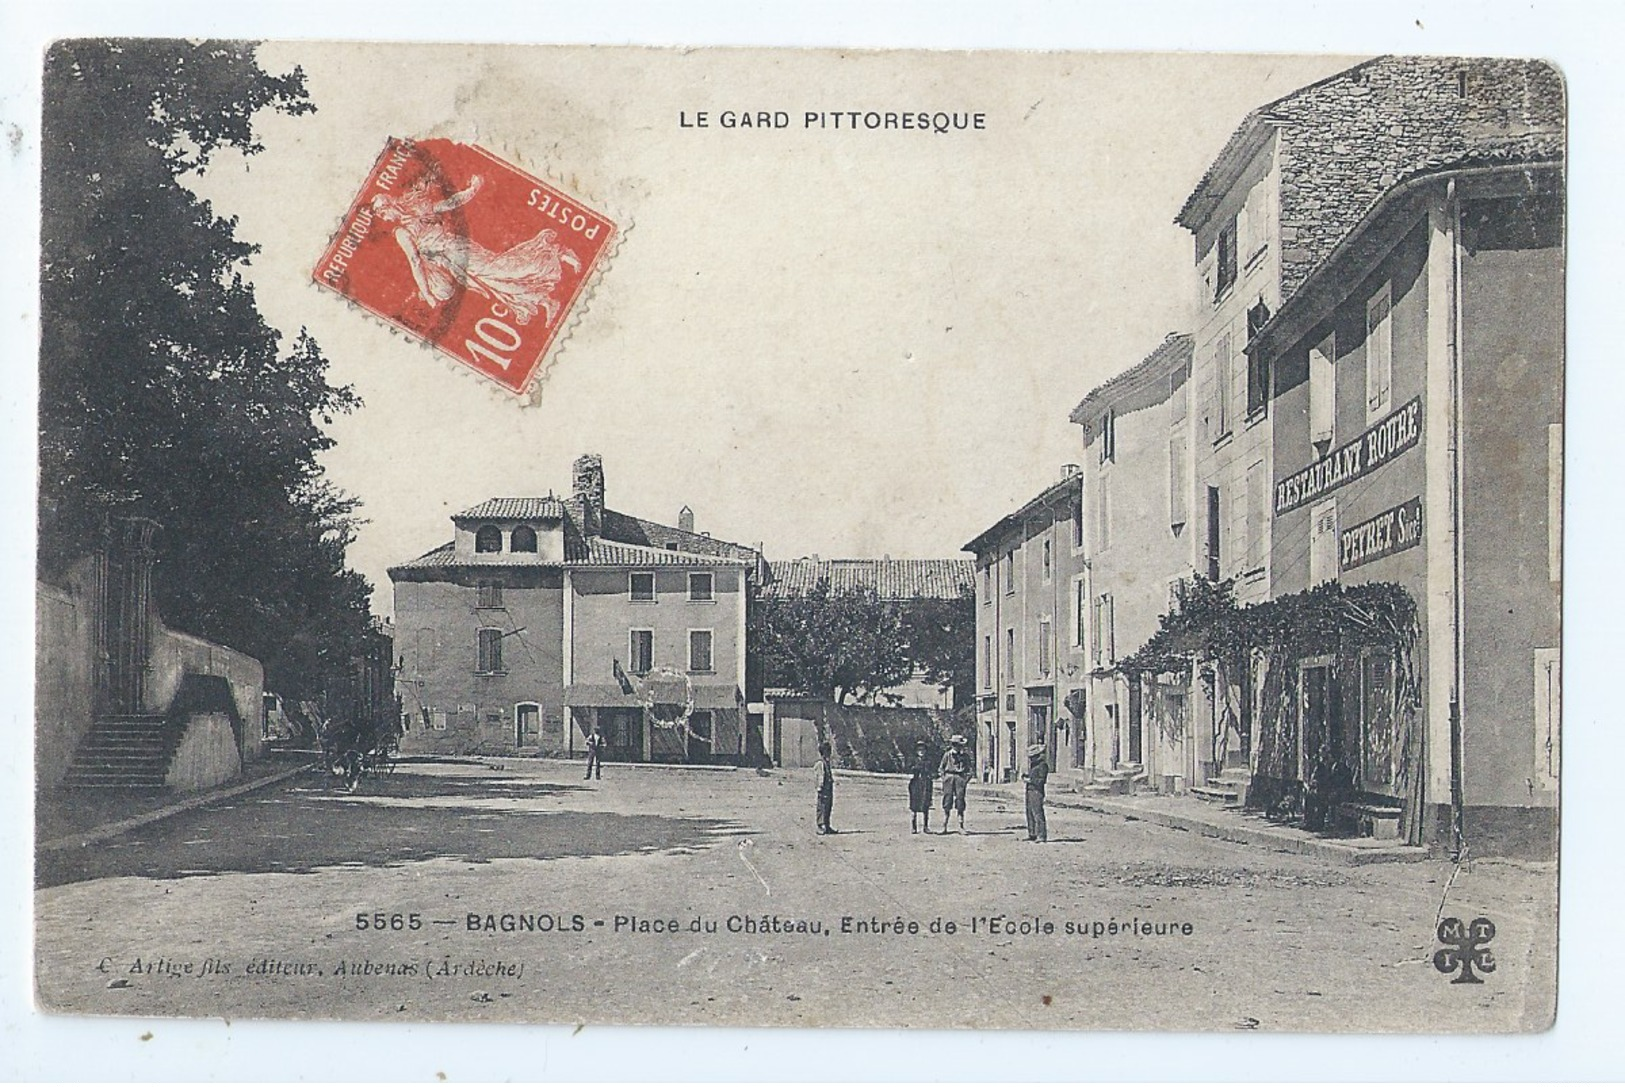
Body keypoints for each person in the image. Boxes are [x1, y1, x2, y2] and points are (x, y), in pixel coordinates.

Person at [371, 174, 582, 327]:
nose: (383, 217)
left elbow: (416, 261)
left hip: (456, 251)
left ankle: (556, 252)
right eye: (380, 215)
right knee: (494, 285)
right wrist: (471, 191)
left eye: (382, 211)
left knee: (501, 270)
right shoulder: (408, 222)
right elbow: (448, 205)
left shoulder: (405, 228)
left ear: (390, 205)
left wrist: (427, 294)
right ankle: (546, 301)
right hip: (451, 261)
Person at [938, 734, 972, 833]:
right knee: (947, 800)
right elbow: (941, 768)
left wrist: (965, 780)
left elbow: (970, 770)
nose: (958, 747)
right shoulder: (947, 755)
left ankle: (960, 826)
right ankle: (944, 826)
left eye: (960, 745)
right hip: (949, 778)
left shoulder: (965, 756)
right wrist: (944, 778)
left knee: (960, 800)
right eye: (956, 745)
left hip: (960, 778)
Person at [1023, 742, 1050, 842]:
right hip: (1029, 790)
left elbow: (1041, 780)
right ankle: (1032, 833)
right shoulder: (1033, 766)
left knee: (1037, 813)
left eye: (1032, 757)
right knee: (1029, 812)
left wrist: (1030, 780)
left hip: (1037, 791)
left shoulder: (1043, 765)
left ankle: (1041, 835)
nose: (1031, 759)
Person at [907, 740, 934, 833]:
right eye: (919, 750)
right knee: (914, 805)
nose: (921, 751)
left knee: (925, 805)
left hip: (926, 783)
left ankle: (926, 826)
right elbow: (909, 769)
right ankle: (914, 827)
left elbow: (932, 771)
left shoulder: (929, 761)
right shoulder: (912, 760)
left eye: (923, 749)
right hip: (915, 783)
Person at [814, 740, 836, 834]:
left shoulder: (827, 763)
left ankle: (827, 825)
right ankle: (820, 825)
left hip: (828, 788)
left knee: (828, 806)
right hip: (823, 789)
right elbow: (820, 776)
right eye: (828, 751)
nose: (829, 753)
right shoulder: (820, 764)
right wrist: (820, 787)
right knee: (822, 806)